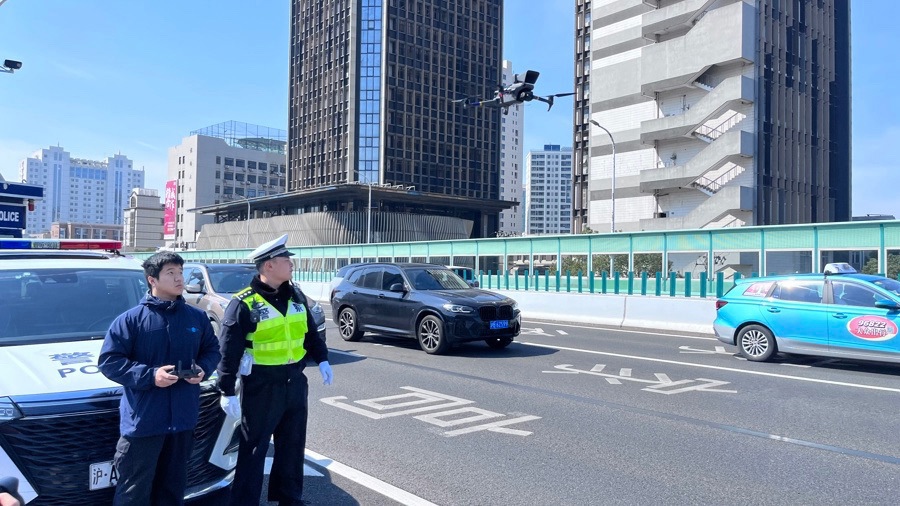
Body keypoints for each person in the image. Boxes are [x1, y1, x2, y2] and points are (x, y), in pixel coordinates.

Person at [217, 234, 333, 506]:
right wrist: (227, 390)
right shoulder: (244, 302)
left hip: (294, 382)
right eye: (285, 260)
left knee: (293, 446)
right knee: (254, 449)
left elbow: (310, 333)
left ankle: (290, 499)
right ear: (268, 265)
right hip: (261, 384)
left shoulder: (296, 296)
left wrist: (323, 359)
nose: (291, 264)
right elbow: (228, 350)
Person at [98, 251, 221, 506]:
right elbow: (110, 362)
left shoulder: (196, 317)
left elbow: (212, 350)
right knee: (134, 491)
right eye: (171, 273)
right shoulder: (131, 320)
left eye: (180, 272)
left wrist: (203, 369)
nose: (179, 278)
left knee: (173, 488)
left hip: (183, 419)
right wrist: (151, 375)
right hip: (144, 422)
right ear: (152, 279)